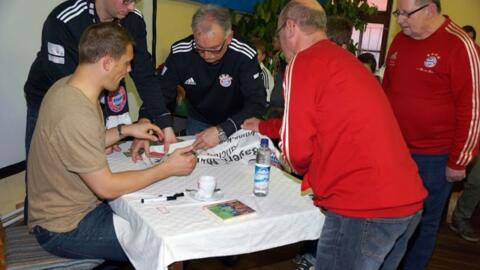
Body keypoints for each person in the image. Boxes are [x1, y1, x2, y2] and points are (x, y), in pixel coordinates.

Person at [27, 22, 197, 262]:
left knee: (153, 215)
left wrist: (127, 130)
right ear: (107, 62)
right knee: (164, 241)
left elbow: (82, 141)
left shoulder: (68, 87)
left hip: (76, 209)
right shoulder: (75, 111)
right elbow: (106, 187)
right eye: (126, 62)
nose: (128, 70)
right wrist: (166, 168)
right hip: (64, 227)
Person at [277, 1, 427, 270]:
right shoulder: (347, 61)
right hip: (405, 200)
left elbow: (295, 151)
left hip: (364, 207)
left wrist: (288, 161)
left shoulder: (304, 60)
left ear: (290, 27)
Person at [23, 0, 176, 222]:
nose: (132, 7)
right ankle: (39, 227)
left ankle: (89, 220)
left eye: (136, 1)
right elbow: (76, 96)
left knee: (91, 172)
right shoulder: (65, 20)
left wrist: (165, 124)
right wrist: (98, 132)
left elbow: (144, 74)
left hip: (87, 101)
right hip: (52, 98)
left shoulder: (132, 19)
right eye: (126, 0)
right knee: (48, 176)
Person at [383, 0, 480, 269]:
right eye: (397, 13)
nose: (399, 20)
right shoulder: (400, 41)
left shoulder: (460, 45)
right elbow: (387, 93)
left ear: (429, 9)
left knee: (424, 223)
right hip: (395, 150)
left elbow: (473, 109)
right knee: (390, 217)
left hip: (434, 158)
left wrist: (459, 161)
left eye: (405, 13)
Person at [137, 5, 266, 152]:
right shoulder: (181, 52)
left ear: (228, 38)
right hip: (199, 120)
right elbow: (160, 92)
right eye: (200, 48)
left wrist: (223, 130)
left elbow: (257, 102)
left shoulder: (244, 54)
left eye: (214, 49)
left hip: (237, 122)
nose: (207, 55)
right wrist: (145, 120)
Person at [241, 15, 353, 140]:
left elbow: (300, 145)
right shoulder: (336, 73)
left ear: (342, 48)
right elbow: (300, 125)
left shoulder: (336, 80)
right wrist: (263, 126)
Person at [449, 24, 480, 243]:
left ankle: (461, 216)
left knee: (477, 179)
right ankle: (454, 215)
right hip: (458, 130)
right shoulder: (458, 61)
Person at [251, 38, 275, 103]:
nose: (253, 56)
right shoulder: (247, 70)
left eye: (257, 54)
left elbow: (266, 97)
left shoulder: (264, 74)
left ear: (263, 57)